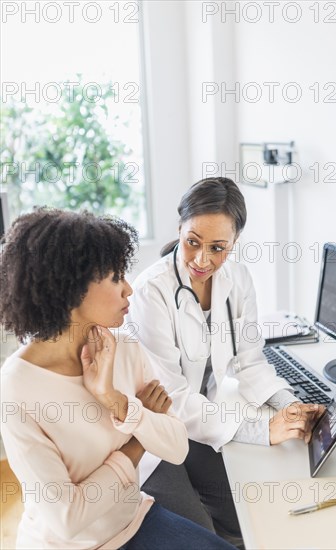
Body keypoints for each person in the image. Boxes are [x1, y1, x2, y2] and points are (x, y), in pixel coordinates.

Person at [0, 207, 236, 550]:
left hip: (133, 520)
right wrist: (136, 445)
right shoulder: (16, 387)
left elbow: (176, 446)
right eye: (115, 278)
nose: (129, 290)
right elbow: (67, 519)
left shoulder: (122, 347)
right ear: (70, 288)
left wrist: (116, 401)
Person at [131, 177, 325, 548]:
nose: (203, 260)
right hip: (152, 435)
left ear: (234, 244)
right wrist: (262, 431)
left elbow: (250, 362)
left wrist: (291, 407)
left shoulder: (237, 279)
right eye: (192, 242)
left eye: (218, 248)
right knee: (203, 536)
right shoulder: (150, 292)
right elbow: (173, 399)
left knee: (247, 517)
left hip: (199, 423)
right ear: (179, 229)